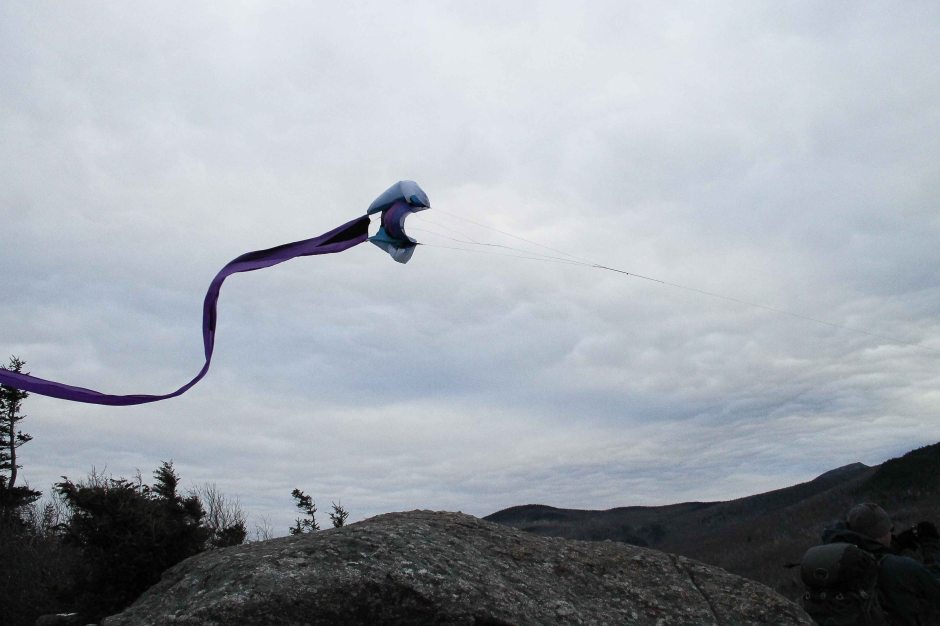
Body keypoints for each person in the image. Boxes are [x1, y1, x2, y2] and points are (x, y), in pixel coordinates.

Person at [821, 503, 940, 625]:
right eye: (890, 530)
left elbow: (874, 552)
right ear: (880, 535)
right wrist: (931, 545)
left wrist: (898, 544)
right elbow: (935, 586)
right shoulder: (897, 567)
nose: (891, 534)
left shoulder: (844, 564)